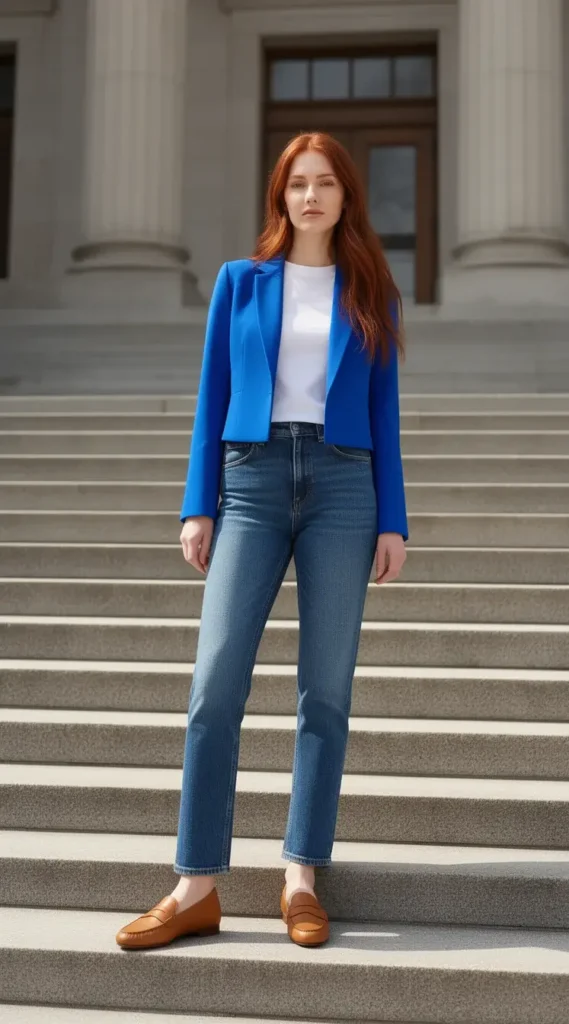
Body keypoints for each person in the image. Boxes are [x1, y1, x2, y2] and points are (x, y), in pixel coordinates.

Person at [115, 131, 408, 951]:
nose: (309, 197)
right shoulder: (239, 284)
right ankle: (195, 884)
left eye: (324, 184)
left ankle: (301, 877)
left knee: (326, 693)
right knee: (214, 688)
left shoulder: (372, 291)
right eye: (295, 185)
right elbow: (212, 395)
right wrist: (195, 504)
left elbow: (384, 412)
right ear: (279, 198)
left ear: (347, 196)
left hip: (345, 485)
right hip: (248, 480)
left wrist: (394, 519)